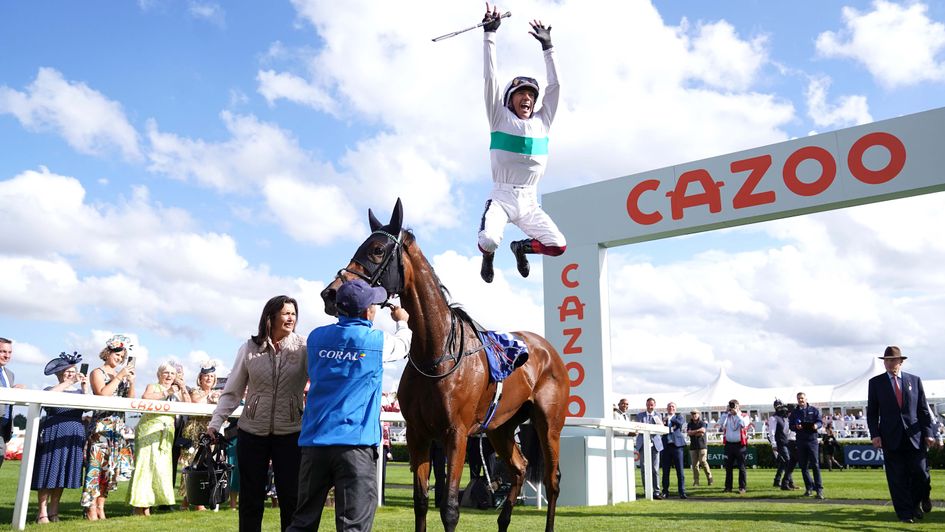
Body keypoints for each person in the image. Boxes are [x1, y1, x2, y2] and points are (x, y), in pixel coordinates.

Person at [287, 278, 412, 532]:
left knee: (302, 522)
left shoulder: (317, 337)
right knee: (353, 526)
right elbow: (404, 346)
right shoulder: (376, 341)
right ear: (368, 311)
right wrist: (402, 321)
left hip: (315, 443)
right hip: (355, 446)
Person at [477, 2, 566, 283]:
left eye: (530, 94)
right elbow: (490, 78)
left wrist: (548, 49)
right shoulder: (498, 117)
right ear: (509, 100)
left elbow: (555, 88)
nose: (527, 98)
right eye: (520, 94)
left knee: (558, 246)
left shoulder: (543, 120)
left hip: (529, 201)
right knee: (489, 240)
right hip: (502, 198)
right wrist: (490, 35)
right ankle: (488, 257)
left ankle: (520, 248)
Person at [208, 295, 308, 532]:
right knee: (251, 500)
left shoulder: (304, 347)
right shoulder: (249, 349)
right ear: (270, 316)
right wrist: (216, 422)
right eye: (285, 313)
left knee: (290, 499)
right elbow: (232, 391)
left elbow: (322, 382)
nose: (291, 317)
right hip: (251, 433)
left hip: (291, 433)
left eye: (293, 313)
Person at [867, 346, 936, 523]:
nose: (889, 363)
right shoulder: (876, 383)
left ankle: (917, 502)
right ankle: (905, 513)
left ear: (901, 361)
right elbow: (873, 412)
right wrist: (875, 434)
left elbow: (923, 410)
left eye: (892, 360)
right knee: (897, 477)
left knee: (921, 473)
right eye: (886, 360)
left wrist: (929, 433)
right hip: (890, 436)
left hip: (915, 436)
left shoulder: (914, 380)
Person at [81, 334, 136, 520]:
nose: (119, 359)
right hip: (101, 428)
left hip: (118, 428)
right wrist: (120, 376)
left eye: (122, 356)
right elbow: (102, 395)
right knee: (95, 468)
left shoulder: (120, 375)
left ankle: (101, 507)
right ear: (108, 352)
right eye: (117, 354)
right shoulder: (97, 372)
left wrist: (131, 382)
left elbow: (130, 401)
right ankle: (90, 507)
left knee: (109, 470)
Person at [127, 362, 192, 515]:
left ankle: (152, 503)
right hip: (150, 429)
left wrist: (182, 388)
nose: (169, 376)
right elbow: (146, 398)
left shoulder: (177, 392)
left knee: (160, 469)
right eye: (166, 373)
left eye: (172, 373)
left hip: (167, 433)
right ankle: (139, 506)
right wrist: (167, 392)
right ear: (159, 374)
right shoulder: (153, 386)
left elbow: (189, 405)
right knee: (145, 466)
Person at [32, 352, 88, 524]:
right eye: (67, 371)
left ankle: (54, 510)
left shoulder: (79, 392)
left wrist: (85, 388)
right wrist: (68, 382)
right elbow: (47, 400)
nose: (71, 374)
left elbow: (88, 408)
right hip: (54, 432)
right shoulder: (50, 389)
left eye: (73, 371)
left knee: (62, 473)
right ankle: (42, 512)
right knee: (48, 471)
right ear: (59, 373)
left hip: (74, 433)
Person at [178, 361, 221, 510]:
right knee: (191, 463)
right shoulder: (195, 392)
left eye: (212, 376)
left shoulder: (219, 393)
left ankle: (198, 501)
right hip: (195, 430)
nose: (209, 379)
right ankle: (189, 501)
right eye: (206, 376)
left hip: (210, 430)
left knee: (207, 464)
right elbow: (196, 401)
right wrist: (212, 398)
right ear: (200, 378)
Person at [789, 392, 824, 499]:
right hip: (800, 441)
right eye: (799, 398)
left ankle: (819, 490)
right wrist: (796, 427)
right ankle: (809, 489)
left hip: (812, 440)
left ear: (806, 399)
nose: (801, 400)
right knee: (803, 466)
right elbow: (791, 426)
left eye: (802, 398)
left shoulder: (813, 410)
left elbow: (820, 422)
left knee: (815, 465)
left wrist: (815, 425)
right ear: (797, 399)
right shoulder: (794, 412)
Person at [0, 337, 26, 470]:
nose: (7, 356)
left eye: (9, 352)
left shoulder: (9, 374)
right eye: (3, 351)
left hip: (4, 425)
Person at [718, 398, 750, 494]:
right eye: (731, 406)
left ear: (738, 406)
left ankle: (742, 487)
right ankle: (728, 487)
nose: (732, 408)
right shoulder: (727, 416)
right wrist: (726, 412)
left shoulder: (744, 415)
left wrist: (737, 414)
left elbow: (744, 424)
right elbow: (721, 425)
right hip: (729, 445)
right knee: (728, 467)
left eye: (734, 406)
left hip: (740, 445)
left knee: (742, 467)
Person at [634, 398, 664, 499]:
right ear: (646, 405)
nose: (650, 407)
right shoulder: (639, 416)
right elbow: (638, 429)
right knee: (643, 468)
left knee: (655, 469)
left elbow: (661, 429)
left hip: (655, 444)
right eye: (648, 405)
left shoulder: (658, 415)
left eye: (651, 405)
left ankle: (656, 491)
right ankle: (646, 490)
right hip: (643, 444)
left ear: (654, 405)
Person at [660, 402, 687, 498]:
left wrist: (670, 419)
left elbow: (679, 424)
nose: (671, 408)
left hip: (677, 446)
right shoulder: (662, 418)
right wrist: (663, 422)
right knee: (665, 471)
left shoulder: (679, 417)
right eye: (669, 407)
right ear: (666, 408)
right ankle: (665, 491)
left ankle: (682, 492)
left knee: (680, 470)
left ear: (675, 409)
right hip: (666, 446)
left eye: (673, 407)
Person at [768, 399, 795, 490]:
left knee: (784, 463)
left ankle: (777, 480)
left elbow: (786, 431)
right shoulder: (773, 418)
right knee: (788, 462)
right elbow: (771, 432)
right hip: (779, 443)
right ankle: (788, 483)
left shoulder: (783, 418)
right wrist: (773, 444)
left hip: (785, 442)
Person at [686, 409, 713, 487]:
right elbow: (689, 433)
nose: (694, 415)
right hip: (693, 446)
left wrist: (693, 432)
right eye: (692, 414)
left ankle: (709, 478)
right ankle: (696, 482)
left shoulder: (702, 423)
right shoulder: (689, 424)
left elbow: (702, 432)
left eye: (695, 413)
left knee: (703, 461)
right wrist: (697, 432)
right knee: (694, 465)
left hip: (702, 445)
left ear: (698, 414)